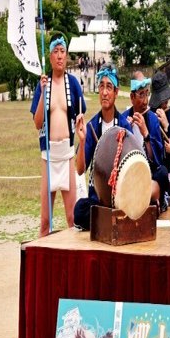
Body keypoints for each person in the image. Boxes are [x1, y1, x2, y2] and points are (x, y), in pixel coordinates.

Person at [30, 36, 86, 235]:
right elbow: (37, 123)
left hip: (67, 154)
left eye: (63, 51)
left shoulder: (73, 83)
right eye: (56, 52)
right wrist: (43, 93)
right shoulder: (43, 85)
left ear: (66, 55)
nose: (60, 56)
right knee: (45, 220)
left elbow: (81, 112)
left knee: (72, 218)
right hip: (49, 156)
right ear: (51, 57)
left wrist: (80, 118)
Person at [73, 67, 135, 230]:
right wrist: (82, 138)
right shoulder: (92, 125)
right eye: (101, 86)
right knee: (79, 210)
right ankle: (107, 220)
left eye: (109, 87)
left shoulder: (124, 125)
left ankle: (106, 220)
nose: (105, 92)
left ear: (116, 92)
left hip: (120, 197)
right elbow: (80, 170)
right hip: (98, 198)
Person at [123, 71, 169, 212]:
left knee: (162, 172)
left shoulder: (152, 119)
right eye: (140, 95)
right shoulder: (123, 119)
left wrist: (146, 134)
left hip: (149, 174)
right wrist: (127, 132)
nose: (145, 101)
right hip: (131, 174)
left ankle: (146, 198)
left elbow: (157, 160)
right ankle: (152, 200)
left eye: (147, 94)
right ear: (132, 97)